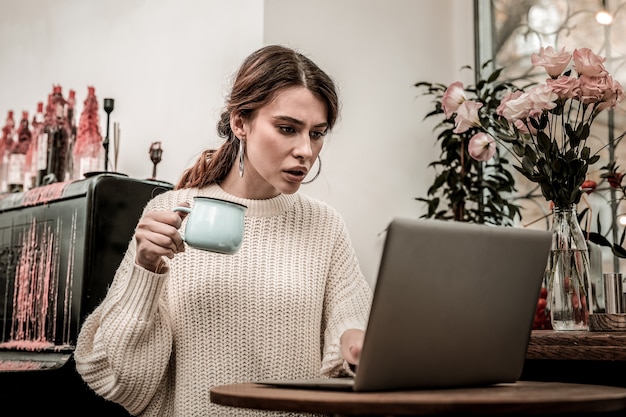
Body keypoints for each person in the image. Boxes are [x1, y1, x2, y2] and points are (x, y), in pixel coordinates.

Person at [74, 44, 373, 417]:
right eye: (287, 129)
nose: (305, 151)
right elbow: (119, 377)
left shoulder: (325, 225)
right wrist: (145, 269)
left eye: (316, 133)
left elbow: (351, 321)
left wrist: (356, 344)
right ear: (240, 123)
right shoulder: (170, 213)